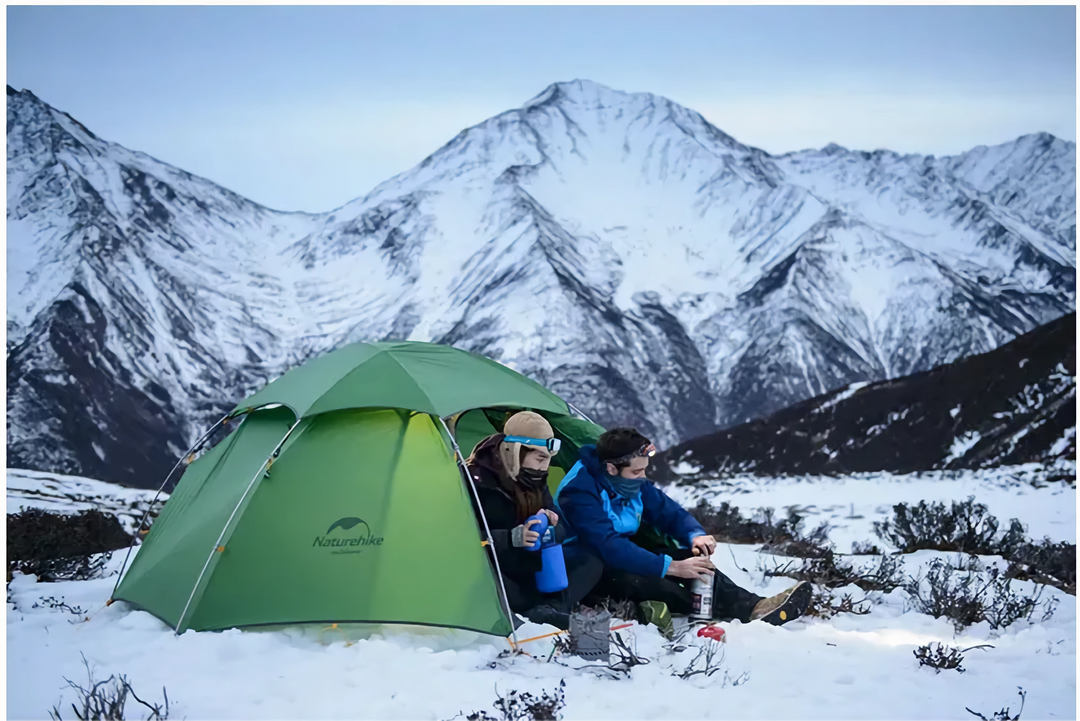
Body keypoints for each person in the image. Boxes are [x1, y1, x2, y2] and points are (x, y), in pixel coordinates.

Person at [555, 427, 810, 628]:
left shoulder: (629, 482)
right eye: (636, 472)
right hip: (586, 568)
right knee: (660, 582)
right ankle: (717, 611)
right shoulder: (578, 490)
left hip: (623, 556)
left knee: (692, 560)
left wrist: (694, 535)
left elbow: (668, 511)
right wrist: (672, 567)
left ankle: (754, 606)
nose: (643, 477)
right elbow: (607, 544)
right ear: (611, 468)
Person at [466, 411, 602, 631]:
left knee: (590, 561)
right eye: (540, 458)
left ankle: (549, 609)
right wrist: (512, 538)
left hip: (536, 567)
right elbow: (464, 541)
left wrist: (553, 528)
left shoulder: (535, 478)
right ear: (515, 452)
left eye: (548, 459)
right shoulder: (476, 481)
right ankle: (545, 610)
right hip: (501, 569)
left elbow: (558, 523)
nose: (545, 467)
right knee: (490, 578)